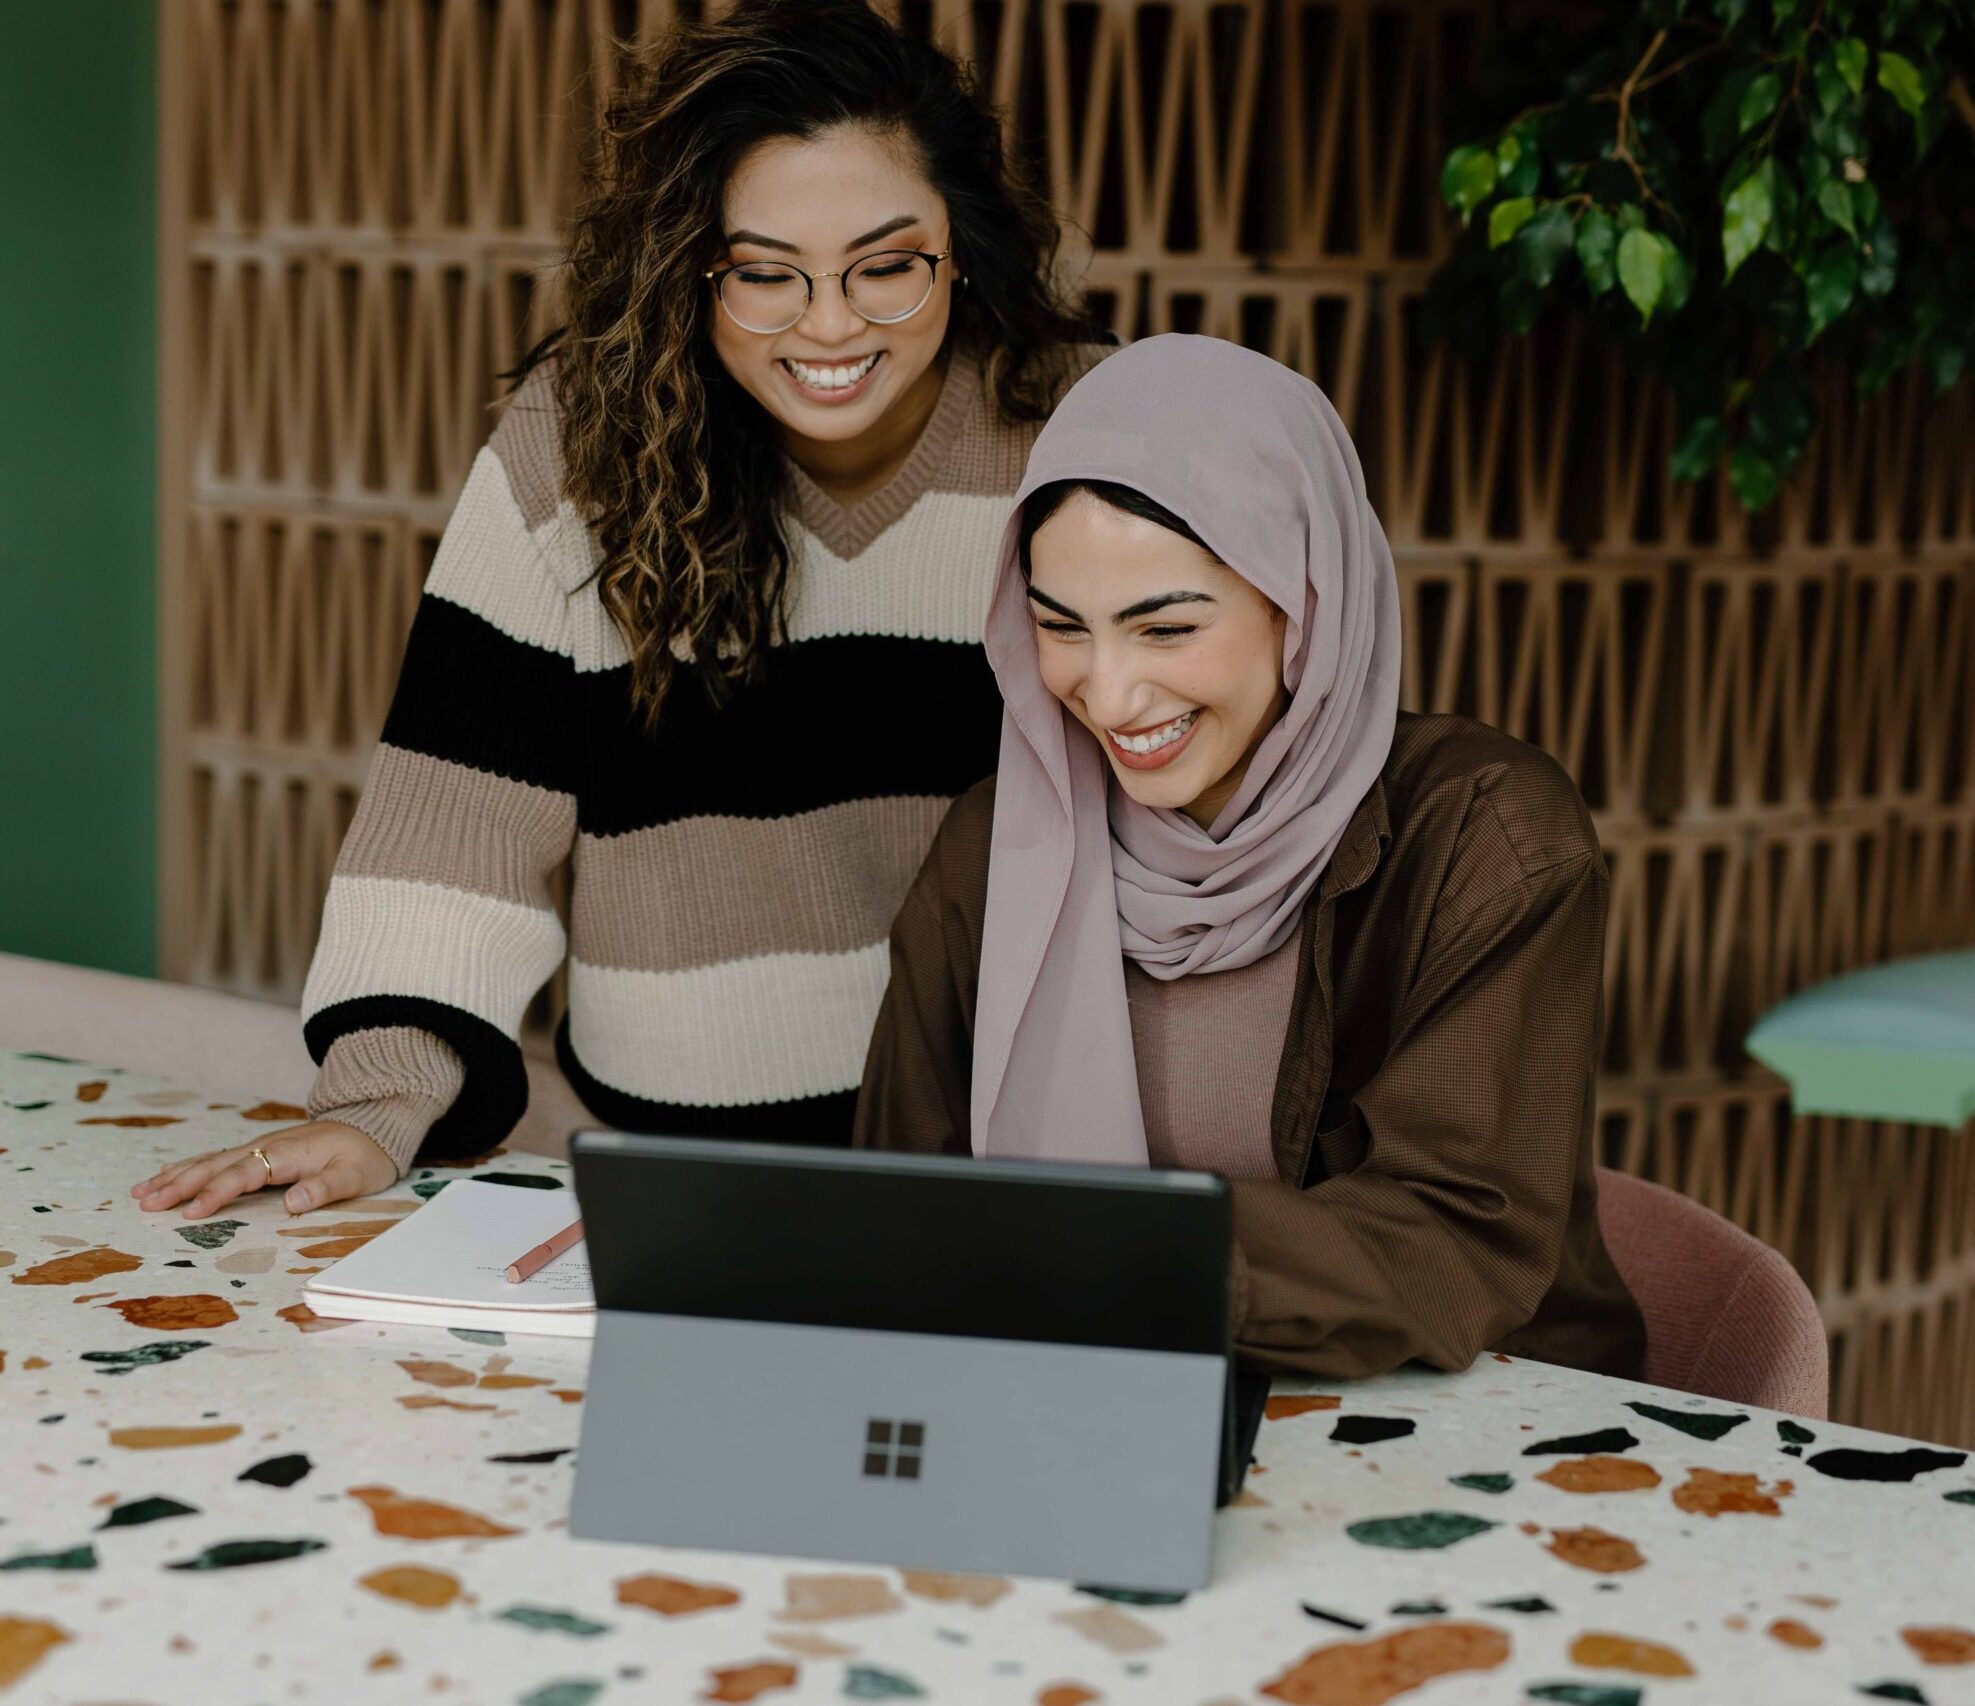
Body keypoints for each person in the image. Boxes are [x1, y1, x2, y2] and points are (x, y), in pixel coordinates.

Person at [133, 0, 1103, 1222]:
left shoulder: (1078, 428)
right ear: (687, 267)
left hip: (1009, 1159)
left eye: (886, 265)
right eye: (763, 274)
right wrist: (375, 1108)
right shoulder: (579, 444)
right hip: (667, 1175)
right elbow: (459, 820)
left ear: (959, 246)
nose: (831, 324)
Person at [855, 334, 1646, 1379]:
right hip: (1093, 1403)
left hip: (1462, 1427)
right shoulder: (998, 846)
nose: (1110, 691)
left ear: (1302, 600)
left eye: (1165, 628)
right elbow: (894, 1198)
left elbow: (1451, 1236)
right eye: (1062, 626)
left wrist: (1104, 1257)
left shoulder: (1484, 838)